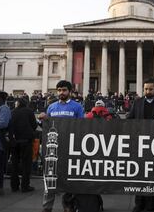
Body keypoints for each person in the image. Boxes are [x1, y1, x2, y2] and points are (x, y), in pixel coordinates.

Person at [38, 80, 92, 212]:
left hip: (70, 149)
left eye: (64, 90)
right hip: (53, 149)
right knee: (50, 179)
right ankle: (47, 207)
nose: (61, 93)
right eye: (59, 90)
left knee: (70, 180)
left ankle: (68, 206)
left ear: (70, 91)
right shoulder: (51, 107)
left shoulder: (77, 107)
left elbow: (82, 127)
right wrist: (42, 119)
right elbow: (46, 128)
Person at [127, 78, 154, 212]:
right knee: (140, 174)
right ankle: (139, 203)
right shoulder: (138, 102)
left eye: (150, 89)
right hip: (141, 144)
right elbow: (130, 119)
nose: (147, 91)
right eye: (145, 89)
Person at [9, 98, 38, 192]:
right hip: (26, 140)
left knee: (14, 164)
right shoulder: (29, 111)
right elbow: (34, 125)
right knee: (26, 164)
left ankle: (14, 185)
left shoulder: (12, 112)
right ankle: (25, 186)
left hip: (14, 140)